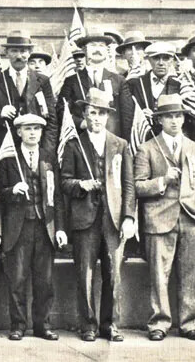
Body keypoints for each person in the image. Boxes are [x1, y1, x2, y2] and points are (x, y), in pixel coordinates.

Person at [59, 89, 134, 342]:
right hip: (85, 219)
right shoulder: (74, 144)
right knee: (85, 274)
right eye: (92, 112)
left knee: (113, 273)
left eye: (102, 113)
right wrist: (82, 185)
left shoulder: (120, 145)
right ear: (85, 114)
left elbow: (129, 185)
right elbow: (64, 182)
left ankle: (110, 325)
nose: (97, 118)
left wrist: (128, 217)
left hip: (113, 220)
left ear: (108, 116)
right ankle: (88, 325)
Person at [134, 93, 195, 340]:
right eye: (168, 117)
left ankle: (189, 323)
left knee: (191, 273)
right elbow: (138, 186)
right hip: (159, 219)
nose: (174, 121)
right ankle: (159, 322)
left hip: (192, 219)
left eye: (178, 116)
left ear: (184, 119)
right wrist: (162, 181)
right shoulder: (147, 149)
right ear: (160, 120)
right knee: (158, 275)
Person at [0, 113, 63, 341]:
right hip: (18, 226)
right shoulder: (8, 159)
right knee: (17, 278)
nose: (33, 133)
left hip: (45, 226)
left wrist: (60, 228)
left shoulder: (48, 157)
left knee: (44, 280)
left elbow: (58, 196)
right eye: (28, 128)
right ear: (19, 132)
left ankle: (42, 325)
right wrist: (12, 190)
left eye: (37, 128)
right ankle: (18, 325)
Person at [0, 32, 56, 157]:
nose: (19, 56)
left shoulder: (42, 81)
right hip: (4, 149)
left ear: (29, 52)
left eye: (23, 51)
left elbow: (52, 120)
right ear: (6, 53)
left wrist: (47, 150)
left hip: (35, 149)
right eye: (14, 51)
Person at [59, 33, 123, 135]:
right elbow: (62, 110)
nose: (97, 49)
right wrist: (81, 123)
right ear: (84, 50)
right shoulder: (72, 81)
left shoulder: (119, 81)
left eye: (101, 46)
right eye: (93, 45)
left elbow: (126, 115)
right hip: (82, 138)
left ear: (107, 51)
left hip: (112, 139)